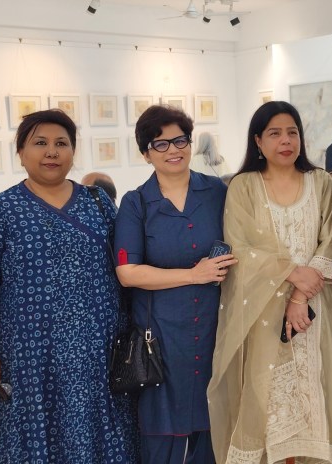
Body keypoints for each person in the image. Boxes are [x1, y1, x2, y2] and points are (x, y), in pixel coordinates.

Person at [0, 109, 136, 463]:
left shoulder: (98, 202)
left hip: (99, 353)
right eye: (40, 143)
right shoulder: (0, 210)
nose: (52, 152)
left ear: (74, 151)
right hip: (29, 357)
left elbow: (125, 265)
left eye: (62, 143)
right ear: (21, 152)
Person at [208, 101, 332, 463]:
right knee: (265, 409)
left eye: (292, 132)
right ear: (258, 141)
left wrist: (299, 295)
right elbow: (240, 247)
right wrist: (292, 275)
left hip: (315, 312)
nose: (285, 141)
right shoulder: (243, 187)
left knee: (316, 407)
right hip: (261, 317)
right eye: (274, 133)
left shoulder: (321, 182)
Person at [114, 105, 233, 464]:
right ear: (145, 153)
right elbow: (128, 272)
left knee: (214, 437)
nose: (173, 150)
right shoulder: (135, 203)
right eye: (160, 144)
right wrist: (192, 275)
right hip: (161, 341)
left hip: (216, 332)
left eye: (180, 140)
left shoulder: (218, 191)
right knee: (162, 443)